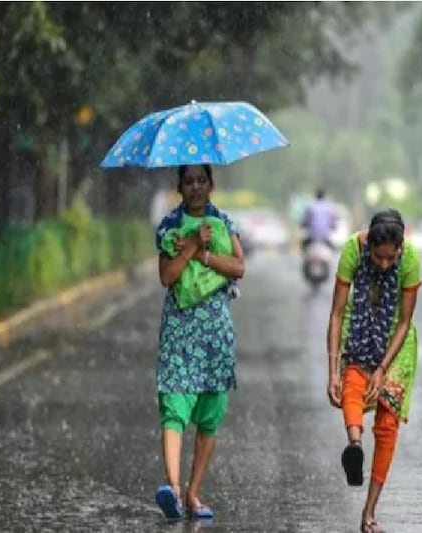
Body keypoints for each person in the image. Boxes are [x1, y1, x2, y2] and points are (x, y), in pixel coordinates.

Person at [153, 164, 246, 521]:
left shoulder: (224, 222)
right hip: (180, 330)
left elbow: (239, 268)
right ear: (179, 186)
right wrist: (191, 244)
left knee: (210, 414)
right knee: (174, 406)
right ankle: (173, 490)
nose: (195, 188)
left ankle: (194, 494)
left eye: (201, 181)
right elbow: (167, 276)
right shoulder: (169, 227)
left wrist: (207, 254)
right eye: (188, 182)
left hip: (215, 334)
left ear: (211, 184)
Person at [325, 209, 421, 533]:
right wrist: (332, 371)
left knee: (388, 423)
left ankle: (369, 513)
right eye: (377, 258)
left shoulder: (410, 261)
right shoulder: (352, 250)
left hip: (397, 341)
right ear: (369, 248)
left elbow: (405, 321)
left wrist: (382, 368)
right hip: (359, 327)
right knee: (352, 382)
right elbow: (337, 313)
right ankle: (354, 445)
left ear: (399, 249)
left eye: (389, 258)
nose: (383, 264)